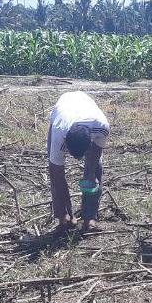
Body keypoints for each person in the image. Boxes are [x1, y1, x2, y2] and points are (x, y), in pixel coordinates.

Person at [46, 91, 111, 233]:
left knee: (95, 168)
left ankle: (89, 218)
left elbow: (95, 157)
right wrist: (67, 212)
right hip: (64, 107)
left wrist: (90, 175)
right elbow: (58, 175)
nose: (76, 160)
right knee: (54, 172)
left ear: (89, 144)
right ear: (66, 144)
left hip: (85, 103)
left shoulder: (102, 128)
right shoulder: (60, 133)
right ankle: (64, 216)